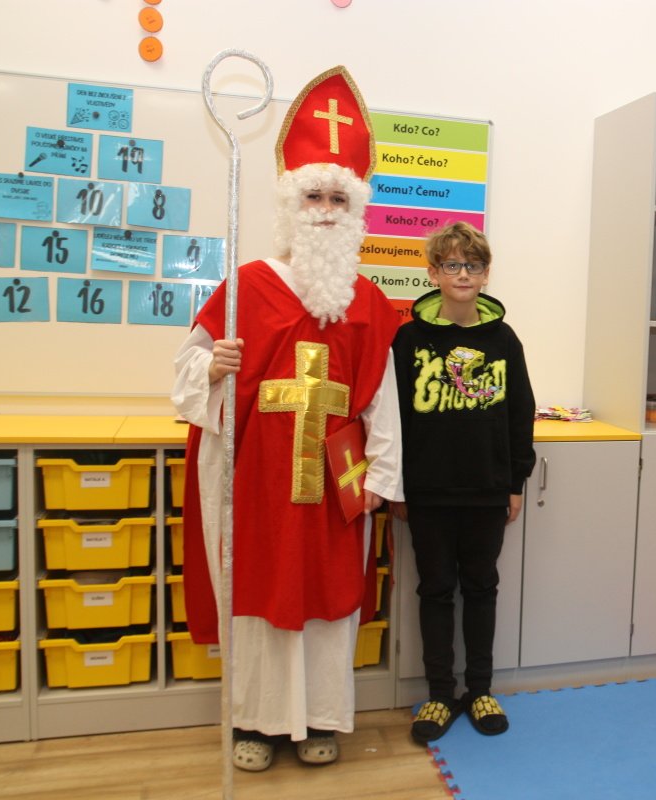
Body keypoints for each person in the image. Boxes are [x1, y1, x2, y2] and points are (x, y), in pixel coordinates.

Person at [171, 66, 402, 772]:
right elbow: (186, 370)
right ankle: (256, 722)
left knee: (328, 600)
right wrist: (213, 368)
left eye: (339, 197)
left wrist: (380, 477)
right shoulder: (246, 286)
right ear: (291, 203)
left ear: (354, 210)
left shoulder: (367, 301)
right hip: (259, 481)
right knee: (259, 597)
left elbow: (384, 398)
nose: (326, 209)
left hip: (335, 482)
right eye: (314, 195)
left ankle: (320, 719)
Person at [389, 221, 536, 744]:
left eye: (472, 265)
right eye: (451, 264)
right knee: (434, 590)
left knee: (481, 588)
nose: (463, 274)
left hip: (487, 489)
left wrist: (515, 482)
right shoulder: (408, 339)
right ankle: (438, 694)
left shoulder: (503, 339)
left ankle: (479, 690)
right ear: (433, 273)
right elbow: (392, 417)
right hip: (427, 491)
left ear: (486, 273)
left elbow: (520, 412)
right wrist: (396, 486)